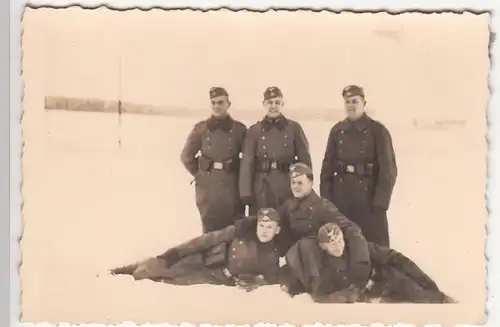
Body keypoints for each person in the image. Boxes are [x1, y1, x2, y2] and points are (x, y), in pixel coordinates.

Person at [110, 208, 283, 291]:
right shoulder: (239, 232)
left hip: (215, 277)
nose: (264, 231)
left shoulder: (271, 255)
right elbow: (207, 240)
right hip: (204, 258)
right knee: (163, 265)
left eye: (269, 227)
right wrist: (174, 253)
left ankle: (129, 278)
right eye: (262, 225)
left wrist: (256, 282)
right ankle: (120, 273)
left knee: (170, 280)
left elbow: (270, 277)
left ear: (277, 230)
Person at [281, 222, 456, 304]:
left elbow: (396, 258)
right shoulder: (318, 265)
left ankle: (444, 301)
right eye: (332, 243)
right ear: (323, 247)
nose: (338, 245)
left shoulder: (360, 249)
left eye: (340, 239)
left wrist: (428, 283)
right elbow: (313, 292)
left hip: (382, 282)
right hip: (363, 300)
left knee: (414, 289)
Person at [319, 85, 398, 247]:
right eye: (347, 101)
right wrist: (327, 201)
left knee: (374, 246)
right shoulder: (337, 131)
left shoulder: (377, 131)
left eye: (355, 101)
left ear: (364, 103)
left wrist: (380, 202)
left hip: (368, 199)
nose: (351, 105)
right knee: (345, 245)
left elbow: (388, 169)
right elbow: (326, 168)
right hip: (342, 198)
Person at [274, 162, 371, 285]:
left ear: (310, 183)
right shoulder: (289, 205)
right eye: (293, 183)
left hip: (320, 267)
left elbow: (352, 228)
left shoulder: (322, 207)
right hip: (298, 262)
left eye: (300, 183)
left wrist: (360, 264)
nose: (295, 187)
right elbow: (272, 220)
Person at [180, 87, 247, 233]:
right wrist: (201, 174)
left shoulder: (239, 130)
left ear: (228, 104)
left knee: (233, 231)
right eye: (213, 103)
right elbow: (186, 156)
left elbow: (249, 159)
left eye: (221, 102)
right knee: (209, 233)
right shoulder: (201, 129)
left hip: (232, 188)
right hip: (208, 189)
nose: (217, 106)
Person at [239, 86, 312, 215]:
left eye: (277, 102)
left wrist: (304, 188)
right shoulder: (254, 131)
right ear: (264, 104)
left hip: (286, 187)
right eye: (270, 103)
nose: (273, 106)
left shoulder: (293, 129)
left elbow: (304, 162)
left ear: (282, 104)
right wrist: (246, 193)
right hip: (262, 188)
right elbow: (247, 163)